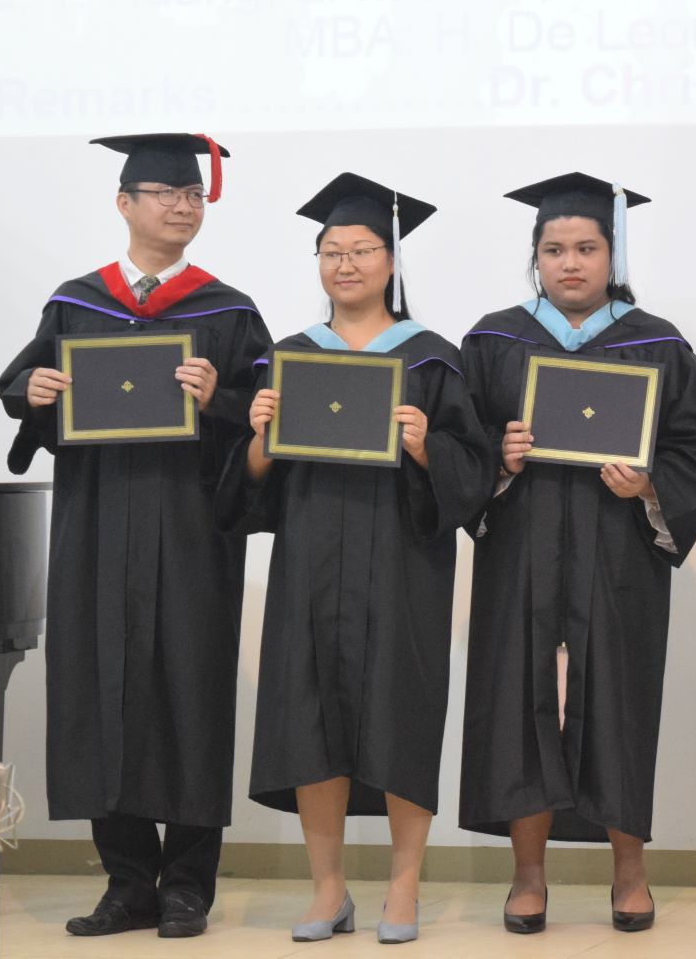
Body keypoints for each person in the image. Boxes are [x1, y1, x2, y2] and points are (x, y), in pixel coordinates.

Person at [0, 134, 270, 938]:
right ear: (126, 204)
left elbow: (267, 415)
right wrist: (33, 392)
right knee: (96, 687)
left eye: (195, 197)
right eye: (166, 194)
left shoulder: (229, 310)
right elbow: (26, 387)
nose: (184, 206)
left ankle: (187, 884)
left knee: (190, 688)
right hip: (97, 522)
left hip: (189, 529)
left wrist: (221, 397)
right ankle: (124, 882)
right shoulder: (79, 301)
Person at [457, 173, 696, 934]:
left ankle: (629, 871)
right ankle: (528, 875)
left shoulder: (657, 342)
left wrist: (649, 486)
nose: (569, 263)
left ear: (612, 254)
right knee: (518, 701)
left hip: (618, 551)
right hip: (523, 547)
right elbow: (455, 448)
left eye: (585, 248)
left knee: (619, 699)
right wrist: (497, 461)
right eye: (553, 249)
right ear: (534, 257)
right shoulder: (492, 340)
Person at [229, 175, 494, 944]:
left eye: (361, 250)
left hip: (403, 561)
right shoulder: (286, 358)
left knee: (401, 713)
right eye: (331, 251)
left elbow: (471, 473)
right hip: (309, 557)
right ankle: (327, 890)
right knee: (309, 717)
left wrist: (424, 447)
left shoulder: (433, 360)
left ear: (391, 259)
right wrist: (258, 437)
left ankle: (403, 889)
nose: (344, 264)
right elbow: (247, 486)